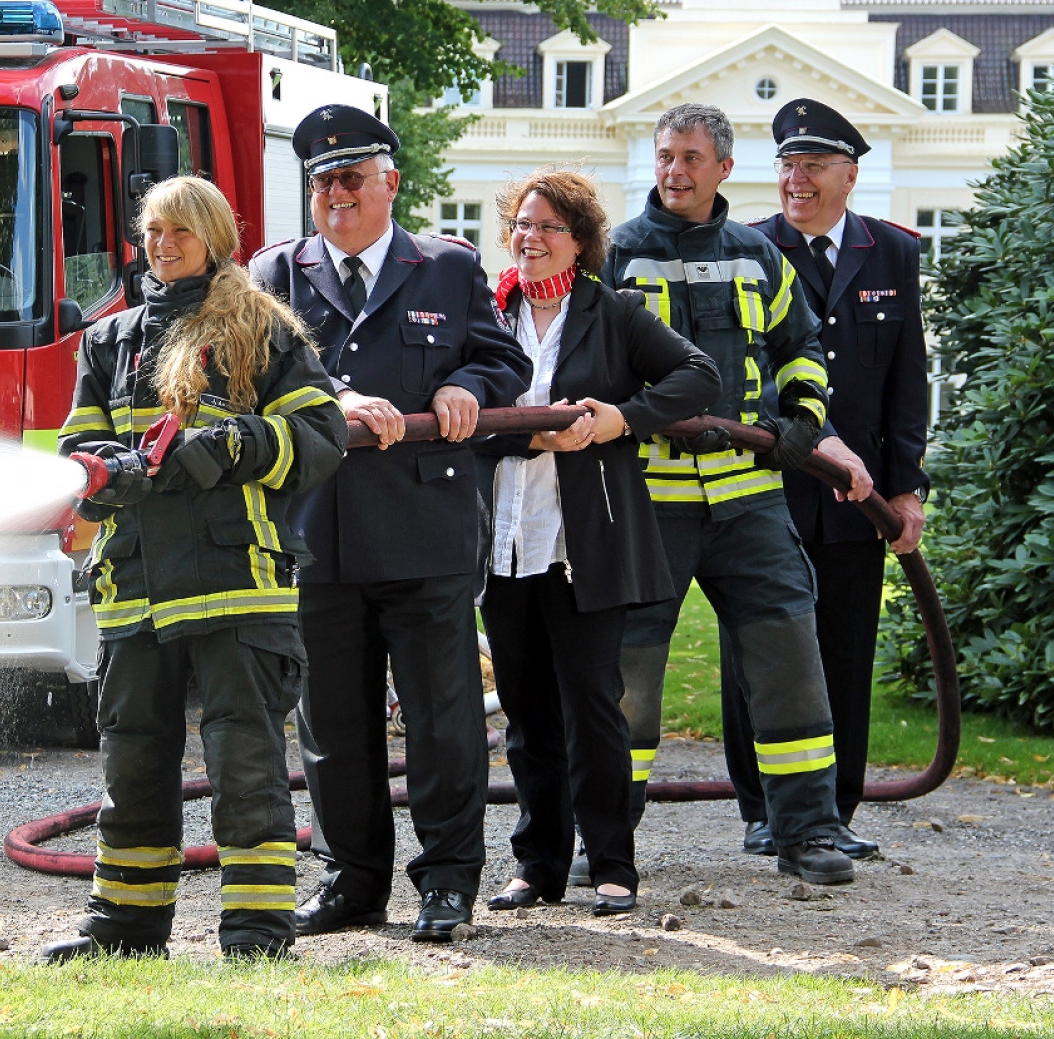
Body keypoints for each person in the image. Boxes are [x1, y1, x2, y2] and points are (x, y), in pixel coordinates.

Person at [48, 176, 348, 962]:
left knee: (243, 765)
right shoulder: (108, 342)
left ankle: (255, 933)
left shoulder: (262, 329)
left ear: (213, 237)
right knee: (133, 761)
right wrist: (110, 469)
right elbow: (76, 449)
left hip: (234, 587)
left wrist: (232, 447)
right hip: (135, 589)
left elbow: (321, 437)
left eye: (178, 230)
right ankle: (124, 927)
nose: (161, 244)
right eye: (151, 231)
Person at [250, 105, 531, 942]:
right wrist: (331, 399)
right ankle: (351, 881)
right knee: (332, 723)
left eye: (352, 177)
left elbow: (506, 359)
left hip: (424, 527)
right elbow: (249, 376)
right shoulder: (275, 274)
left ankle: (448, 881)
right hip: (319, 529)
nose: (336, 194)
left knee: (443, 721)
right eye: (322, 182)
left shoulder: (446, 266)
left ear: (390, 184)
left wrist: (469, 387)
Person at [599, 102, 858, 886]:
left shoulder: (758, 255)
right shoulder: (614, 257)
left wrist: (804, 419)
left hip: (750, 499)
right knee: (626, 676)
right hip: (649, 501)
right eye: (665, 155)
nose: (674, 170)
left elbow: (799, 346)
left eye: (690, 157)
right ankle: (607, 839)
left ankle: (807, 833)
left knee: (787, 659)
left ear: (723, 169)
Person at [475, 170, 719, 918]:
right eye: (521, 224)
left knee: (592, 707)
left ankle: (612, 864)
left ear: (579, 242)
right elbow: (464, 407)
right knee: (526, 715)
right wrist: (522, 440)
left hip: (583, 546)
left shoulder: (613, 313)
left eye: (547, 227)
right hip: (505, 545)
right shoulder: (488, 312)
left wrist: (622, 418)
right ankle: (536, 864)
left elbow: (698, 375)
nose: (530, 237)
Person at [720, 99, 930, 860]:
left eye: (812, 166)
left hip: (858, 497)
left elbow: (910, 379)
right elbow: (749, 375)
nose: (795, 180)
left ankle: (834, 810)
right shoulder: (745, 249)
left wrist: (904, 488)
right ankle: (762, 809)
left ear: (849, 174)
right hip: (766, 486)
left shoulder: (894, 253)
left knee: (845, 646)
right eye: (786, 166)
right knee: (758, 648)